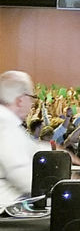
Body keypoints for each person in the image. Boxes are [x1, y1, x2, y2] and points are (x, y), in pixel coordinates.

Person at [0, 71, 51, 204]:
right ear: (20, 100)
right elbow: (22, 177)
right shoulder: (6, 126)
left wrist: (54, 149)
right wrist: (59, 184)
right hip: (7, 209)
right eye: (31, 97)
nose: (32, 103)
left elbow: (31, 147)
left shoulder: (7, 122)